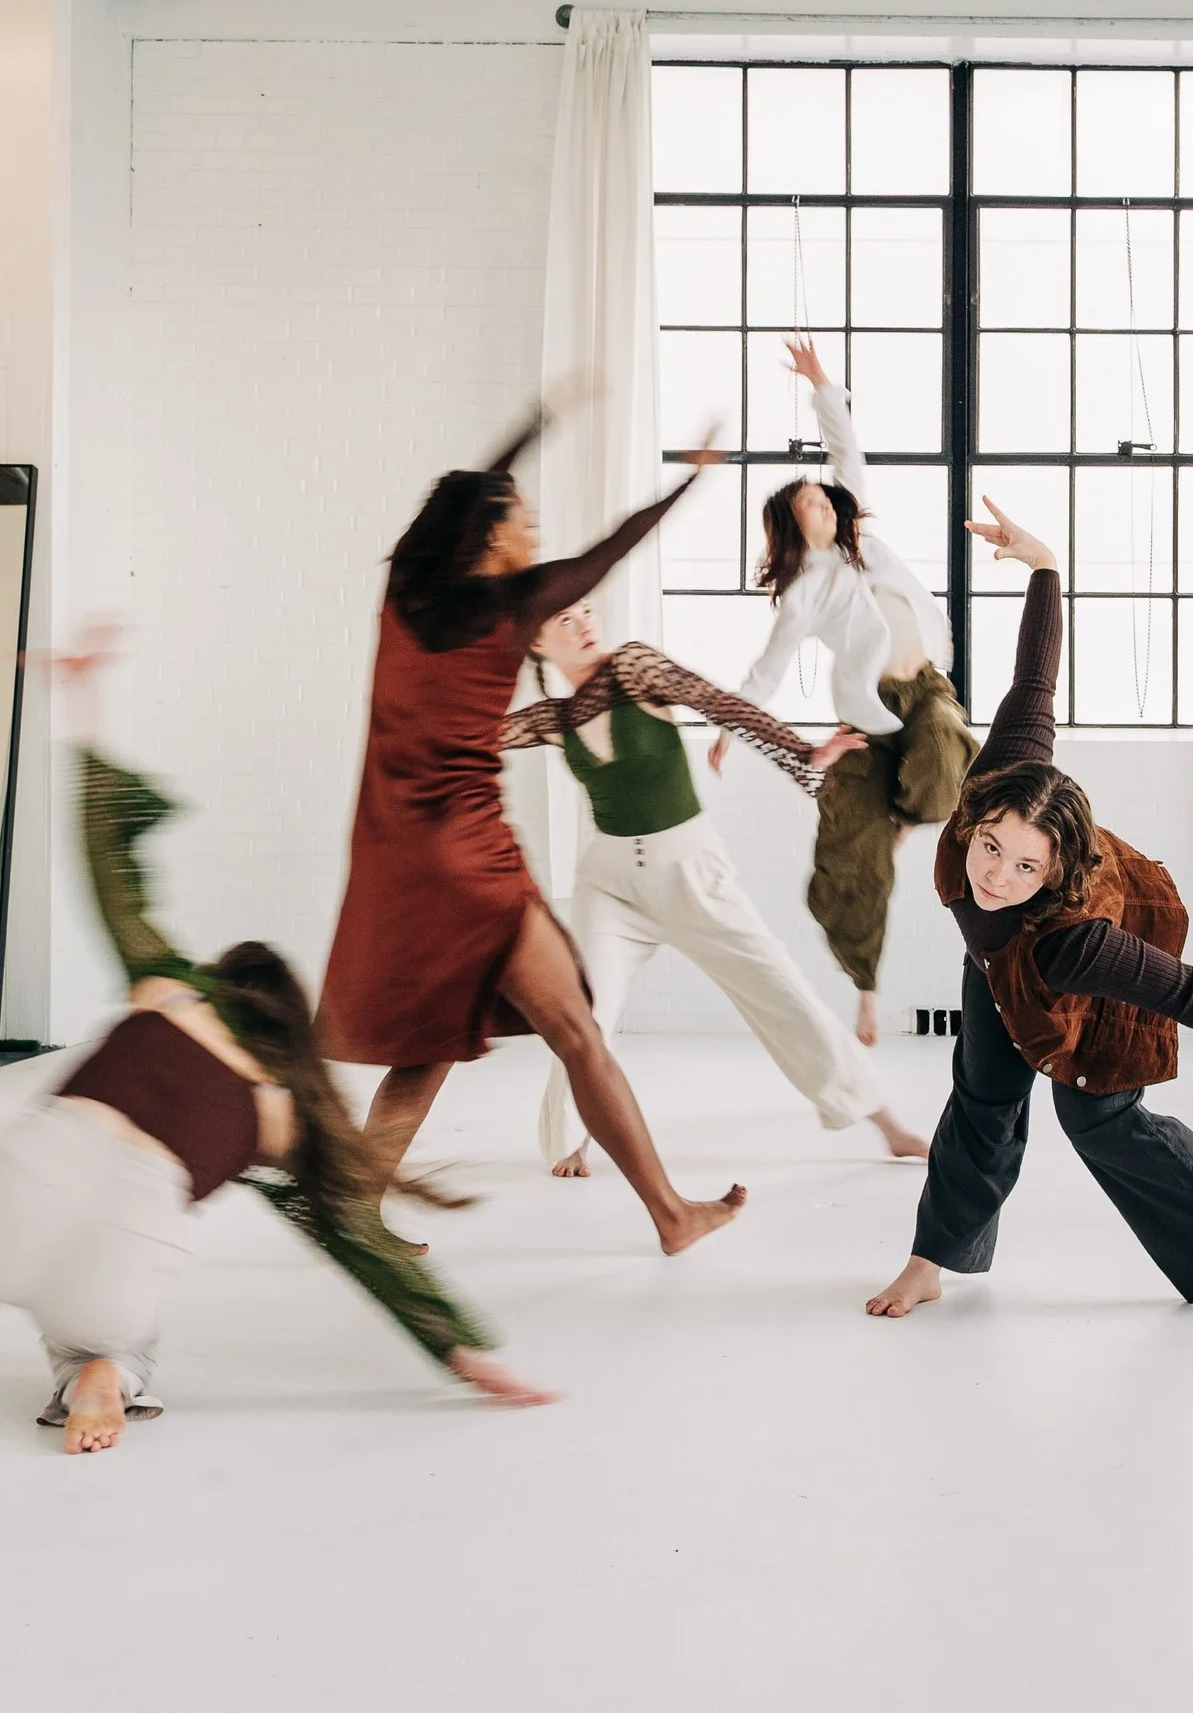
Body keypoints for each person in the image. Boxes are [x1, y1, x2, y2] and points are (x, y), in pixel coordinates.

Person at [0, 632, 553, 1453]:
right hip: (112, 1272)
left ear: (219, 980)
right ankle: (103, 1372)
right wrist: (461, 1350)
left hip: (18, 1202)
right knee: (107, 1322)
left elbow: (106, 866)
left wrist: (82, 711)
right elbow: (356, 1240)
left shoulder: (168, 986)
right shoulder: (284, 1110)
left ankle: (94, 1361)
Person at [862, 499, 1193, 1319]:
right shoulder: (997, 784)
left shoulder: (1073, 941)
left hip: (1106, 944)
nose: (997, 875)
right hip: (998, 963)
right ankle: (931, 1257)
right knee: (983, 1093)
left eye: (1025, 866)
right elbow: (1036, 677)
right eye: (990, 848)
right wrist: (1046, 564)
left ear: (1053, 870)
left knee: (1100, 1119)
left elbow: (1186, 991)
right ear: (977, 816)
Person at [318, 401, 746, 1256]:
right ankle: (671, 1213)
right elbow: (613, 547)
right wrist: (691, 475)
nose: (536, 535)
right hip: (469, 859)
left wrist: (532, 423)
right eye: (527, 522)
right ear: (492, 539)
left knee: (436, 1038)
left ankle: (354, 1208)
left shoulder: (405, 584)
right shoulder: (513, 604)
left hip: (395, 852)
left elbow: (468, 497)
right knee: (579, 1031)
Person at [503, 603, 929, 1176]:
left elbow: (720, 703)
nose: (584, 624)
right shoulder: (555, 717)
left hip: (689, 870)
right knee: (584, 1012)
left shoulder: (635, 667)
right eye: (563, 621)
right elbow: (478, 739)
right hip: (608, 883)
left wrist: (802, 753)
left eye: (585, 611)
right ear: (536, 644)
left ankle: (886, 1123)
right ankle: (573, 1139)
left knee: (779, 991)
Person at [714, 336, 976, 1050]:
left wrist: (821, 381)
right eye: (807, 504)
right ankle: (865, 990)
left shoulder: (860, 530)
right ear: (796, 525)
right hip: (865, 713)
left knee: (947, 756)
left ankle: (906, 817)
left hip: (923, 691)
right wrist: (727, 729)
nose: (823, 504)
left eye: (823, 497)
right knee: (850, 859)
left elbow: (844, 449)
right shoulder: (803, 592)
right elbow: (767, 667)